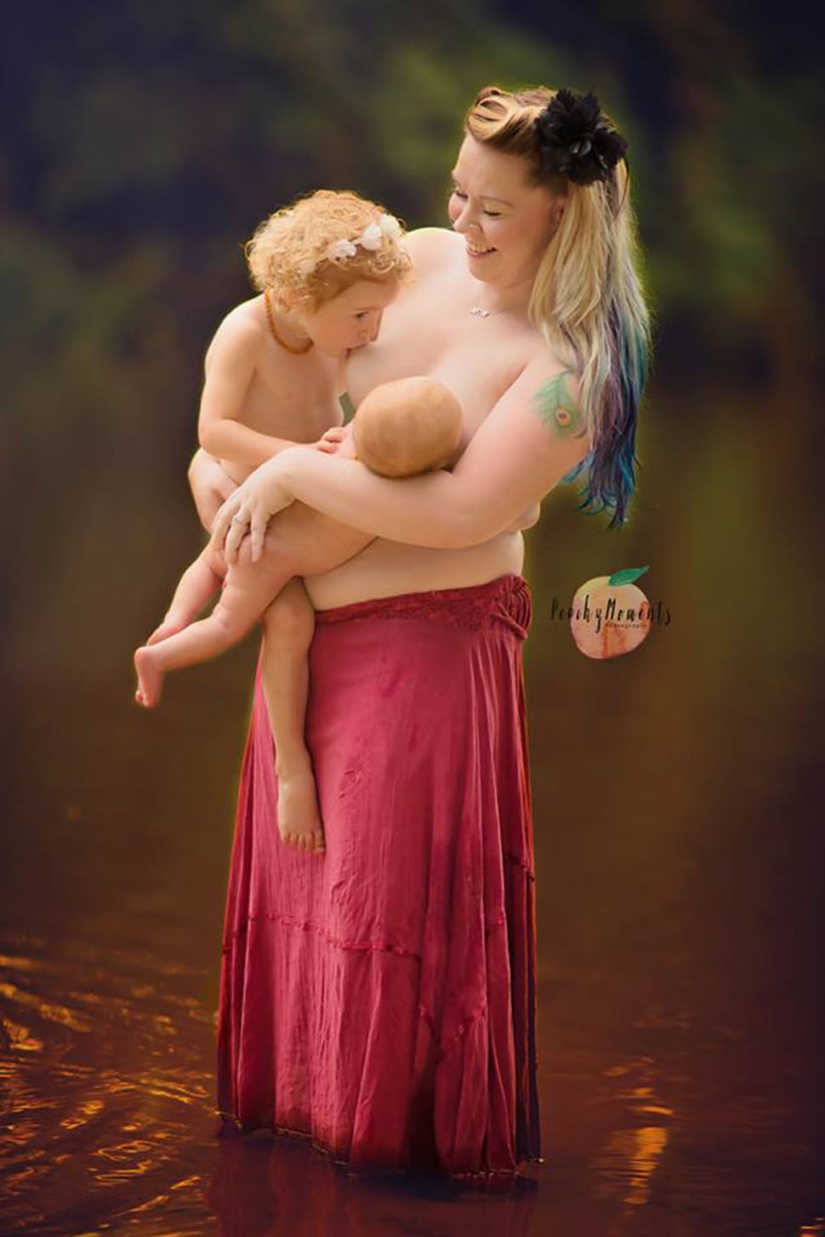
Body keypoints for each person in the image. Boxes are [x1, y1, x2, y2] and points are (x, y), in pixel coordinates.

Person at [198, 84, 651, 1180]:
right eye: (457, 192)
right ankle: (285, 1174)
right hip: (307, 642)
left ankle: (402, 1170)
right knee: (307, 905)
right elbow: (296, 335)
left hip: (428, 656)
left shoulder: (574, 369)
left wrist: (303, 471)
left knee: (385, 922)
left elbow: (462, 513)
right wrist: (226, 458)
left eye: (494, 208)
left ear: (566, 214)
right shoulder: (422, 261)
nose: (460, 224)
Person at [136, 189, 412, 855]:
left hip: (299, 488)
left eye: (378, 313)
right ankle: (292, 766)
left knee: (251, 584)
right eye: (360, 315)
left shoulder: (340, 335)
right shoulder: (244, 333)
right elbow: (213, 429)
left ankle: (173, 631)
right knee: (286, 620)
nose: (372, 330)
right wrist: (296, 463)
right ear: (295, 298)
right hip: (246, 481)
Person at [133, 373, 462, 725]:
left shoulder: (337, 445)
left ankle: (175, 619)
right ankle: (160, 658)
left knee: (209, 565)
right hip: (265, 556)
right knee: (225, 624)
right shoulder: (384, 494)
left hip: (246, 524)